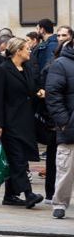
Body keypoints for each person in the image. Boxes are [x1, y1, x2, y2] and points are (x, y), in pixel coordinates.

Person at [0, 37, 45, 208]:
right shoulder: (2, 70)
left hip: (26, 120)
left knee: (19, 158)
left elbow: (31, 88)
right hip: (10, 122)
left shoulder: (27, 68)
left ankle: (10, 195)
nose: (30, 51)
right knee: (18, 159)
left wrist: (39, 92)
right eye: (27, 49)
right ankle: (28, 194)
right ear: (17, 51)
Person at [45, 41, 74, 219]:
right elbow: (53, 94)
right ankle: (60, 203)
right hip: (70, 127)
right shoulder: (61, 64)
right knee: (66, 167)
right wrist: (64, 121)